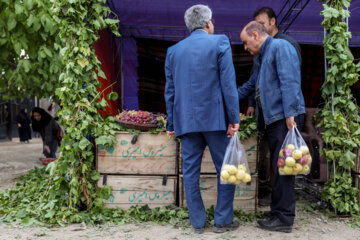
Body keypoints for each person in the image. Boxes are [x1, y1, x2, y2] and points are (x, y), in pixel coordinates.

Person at [164, 4, 240, 234]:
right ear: (208, 24)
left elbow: (170, 91)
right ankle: (222, 220)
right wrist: (233, 117)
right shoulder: (220, 42)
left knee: (190, 172)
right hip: (216, 120)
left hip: (186, 122)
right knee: (227, 169)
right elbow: (228, 84)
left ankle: (197, 223)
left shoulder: (173, 51)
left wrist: (171, 124)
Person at [237, 21, 305, 233]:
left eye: (246, 42)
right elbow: (252, 85)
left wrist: (290, 113)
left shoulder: (280, 47)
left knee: (285, 169)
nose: (245, 48)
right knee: (279, 167)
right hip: (275, 118)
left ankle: (284, 218)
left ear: (255, 35)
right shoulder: (264, 55)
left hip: (284, 118)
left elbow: (290, 81)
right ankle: (278, 211)